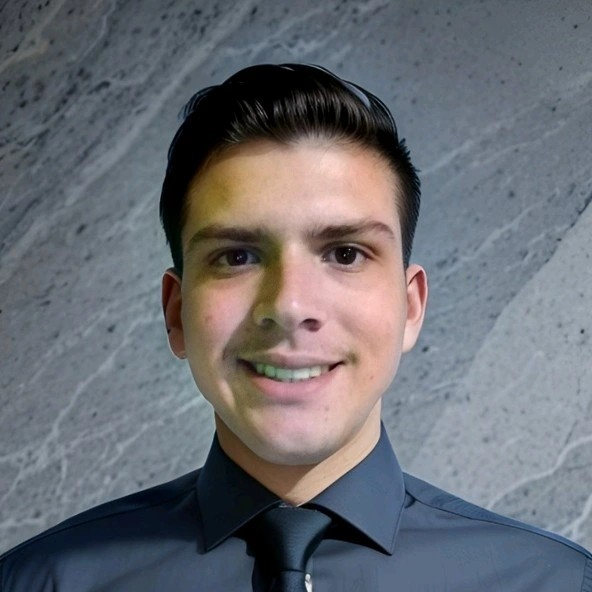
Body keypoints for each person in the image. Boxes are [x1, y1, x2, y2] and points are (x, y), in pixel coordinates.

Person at [1, 64, 590, 591]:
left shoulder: (558, 585)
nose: (288, 305)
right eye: (237, 256)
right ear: (176, 314)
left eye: (345, 253)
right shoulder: (39, 583)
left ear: (410, 307)